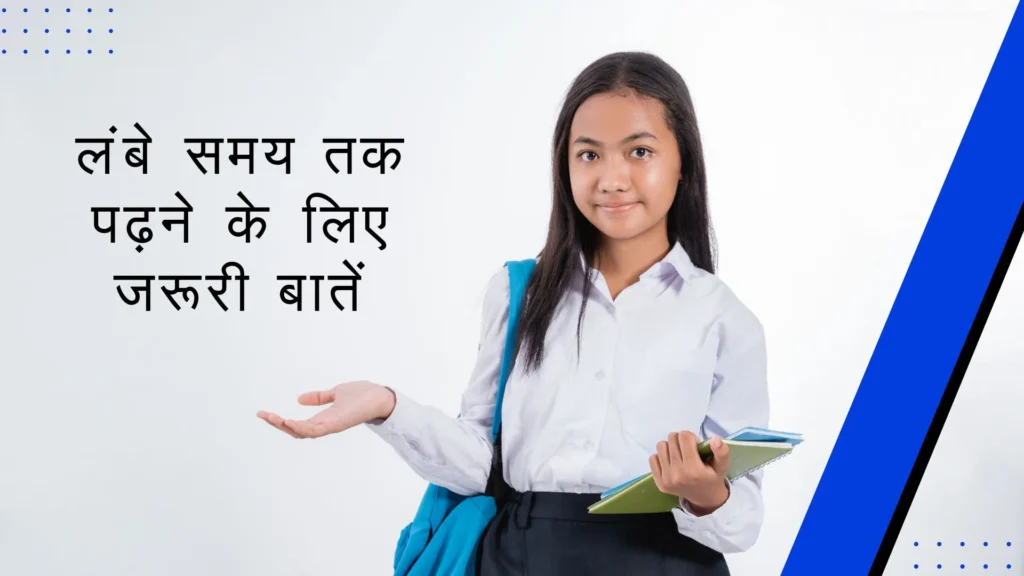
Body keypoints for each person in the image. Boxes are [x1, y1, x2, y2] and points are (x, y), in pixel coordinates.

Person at [257, 51, 769, 575]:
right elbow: (480, 464)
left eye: (639, 151)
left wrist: (708, 494)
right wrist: (386, 406)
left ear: (683, 161)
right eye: (589, 155)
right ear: (564, 165)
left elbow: (745, 520)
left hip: (666, 561)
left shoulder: (725, 319)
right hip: (520, 560)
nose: (612, 179)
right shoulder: (519, 291)